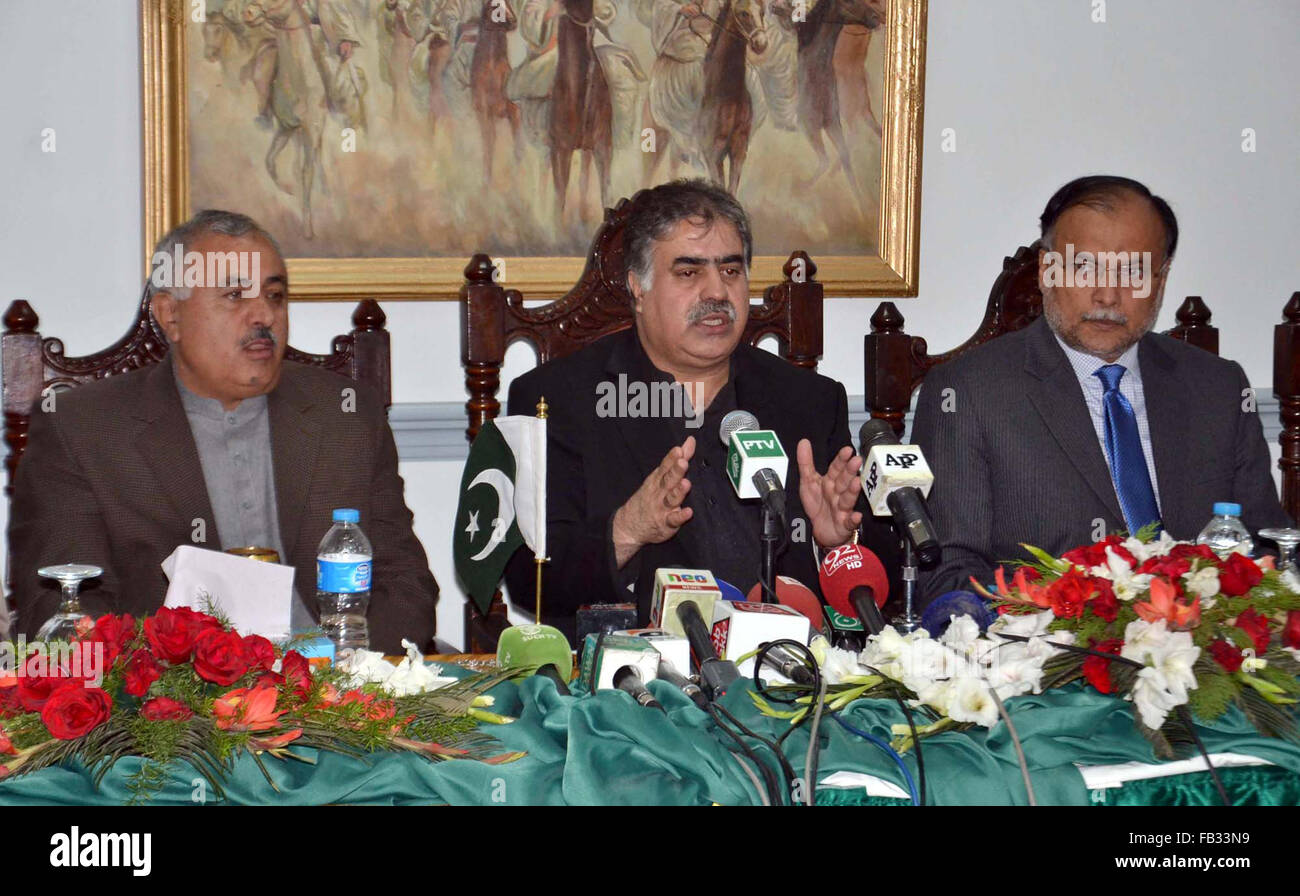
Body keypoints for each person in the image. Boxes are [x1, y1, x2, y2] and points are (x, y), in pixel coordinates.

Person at [8, 210, 438, 653]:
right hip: (170, 704)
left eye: (274, 295)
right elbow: (61, 605)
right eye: (235, 295)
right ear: (170, 315)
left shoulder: (345, 414)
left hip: (337, 691)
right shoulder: (84, 427)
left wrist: (353, 680)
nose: (263, 316)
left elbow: (405, 584)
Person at [502, 179, 896, 639]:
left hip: (793, 672)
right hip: (637, 685)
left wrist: (835, 544)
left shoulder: (808, 400)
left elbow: (888, 577)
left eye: (731, 271)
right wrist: (627, 529)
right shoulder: (559, 401)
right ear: (638, 288)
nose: (717, 292)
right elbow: (531, 583)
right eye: (689, 273)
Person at [912, 175, 1291, 601]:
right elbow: (948, 575)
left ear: (1161, 281)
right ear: (1046, 271)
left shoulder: (1218, 388)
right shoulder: (968, 393)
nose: (1107, 295)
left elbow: (1267, 550)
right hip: (1046, 654)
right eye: (1083, 266)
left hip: (1201, 655)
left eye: (1133, 271)